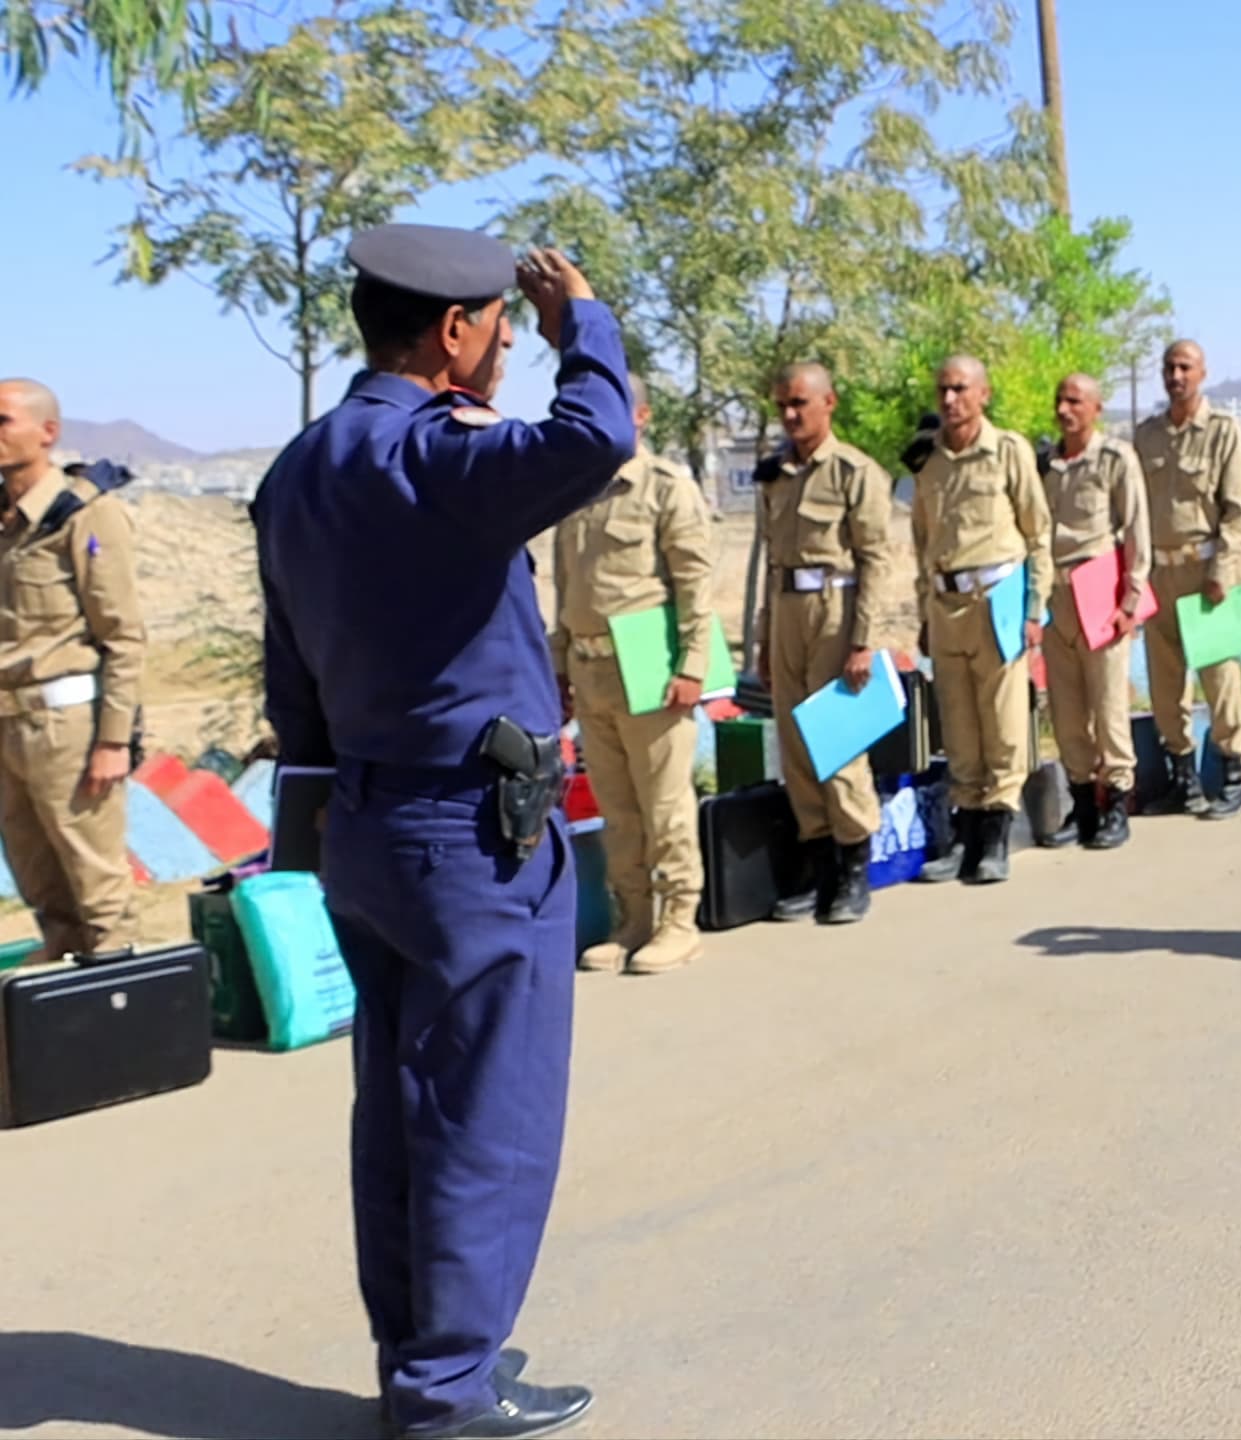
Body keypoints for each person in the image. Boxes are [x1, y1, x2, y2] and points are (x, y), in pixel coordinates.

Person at [252, 224, 632, 1437]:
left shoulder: (300, 469)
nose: (512, 343)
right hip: (473, 836)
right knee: (485, 1113)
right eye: (501, 327)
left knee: (401, 1111)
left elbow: (291, 683)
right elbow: (601, 436)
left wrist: (309, 838)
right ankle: (447, 1392)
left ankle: (423, 1358)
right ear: (454, 332)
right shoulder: (438, 457)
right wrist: (588, 320)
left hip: (365, 821)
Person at [551, 374, 714, 973]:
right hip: (591, 666)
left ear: (641, 416)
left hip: (649, 658)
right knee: (618, 806)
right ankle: (633, 920)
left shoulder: (666, 488)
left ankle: (679, 920)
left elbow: (695, 583)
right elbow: (567, 587)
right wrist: (559, 665)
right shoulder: (577, 491)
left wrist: (693, 665)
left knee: (664, 800)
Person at [0, 377, 143, 964]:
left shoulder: (85, 516)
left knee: (100, 894)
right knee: (45, 893)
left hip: (66, 730)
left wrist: (114, 740)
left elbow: (124, 637)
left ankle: (129, 1031)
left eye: (3, 421)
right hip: (9, 732)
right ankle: (67, 1039)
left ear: (47, 432)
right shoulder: (7, 522)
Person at [754, 362, 896, 925]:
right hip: (788, 611)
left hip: (834, 612)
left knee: (836, 740)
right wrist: (764, 640)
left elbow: (876, 560)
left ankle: (854, 866)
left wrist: (863, 641)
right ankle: (820, 869)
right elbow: (771, 565)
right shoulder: (776, 476)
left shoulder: (853, 472)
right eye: (783, 405)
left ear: (828, 403)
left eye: (800, 404)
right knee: (795, 745)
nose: (790, 415)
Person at [912, 355, 1052, 881]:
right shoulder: (928, 461)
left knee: (1003, 722)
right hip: (946, 603)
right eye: (943, 390)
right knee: (958, 724)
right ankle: (964, 834)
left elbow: (1038, 536)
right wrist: (924, 609)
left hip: (998, 599)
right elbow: (922, 541)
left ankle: (995, 837)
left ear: (984, 394)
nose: (950, 400)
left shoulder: (1008, 452)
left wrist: (1035, 609)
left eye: (960, 390)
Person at [1132, 340, 1241, 819]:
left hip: (1206, 571)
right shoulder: (1147, 435)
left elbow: (1237, 508)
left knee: (1220, 676)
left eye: (1184, 367)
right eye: (1168, 367)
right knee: (1165, 685)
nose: (1175, 375)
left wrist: (1224, 569)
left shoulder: (1222, 431)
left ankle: (1233, 775)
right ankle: (1183, 778)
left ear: (1202, 373)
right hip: (1159, 572)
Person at [1039, 373, 1149, 849]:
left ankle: (1118, 802)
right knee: (1066, 712)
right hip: (1055, 594)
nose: (1065, 410)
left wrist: (1131, 600)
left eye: (1075, 402)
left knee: (1108, 706)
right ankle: (1082, 804)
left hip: (1099, 588)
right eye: (1059, 401)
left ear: (1096, 408)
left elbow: (1137, 530)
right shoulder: (1047, 464)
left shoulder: (1114, 458)